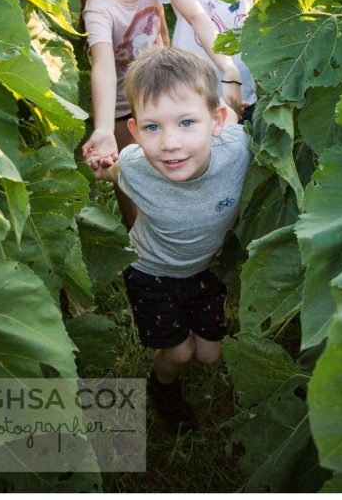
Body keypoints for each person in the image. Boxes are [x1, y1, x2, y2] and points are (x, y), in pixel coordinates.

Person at [89, 47, 250, 431]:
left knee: (210, 355)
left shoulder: (239, 150)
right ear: (134, 131)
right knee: (177, 354)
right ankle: (162, 387)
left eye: (186, 123)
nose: (170, 143)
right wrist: (101, 166)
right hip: (151, 272)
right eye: (153, 127)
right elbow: (108, 175)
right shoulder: (134, 165)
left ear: (217, 121)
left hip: (208, 267)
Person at [78, 0, 169, 229]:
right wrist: (103, 127)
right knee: (132, 188)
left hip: (160, 94)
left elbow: (159, 25)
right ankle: (140, 261)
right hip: (121, 109)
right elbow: (102, 64)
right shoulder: (99, 7)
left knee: (169, 175)